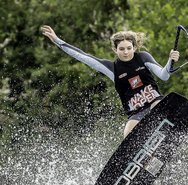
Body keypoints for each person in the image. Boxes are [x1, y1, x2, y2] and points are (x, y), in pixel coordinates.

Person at [40, 25, 179, 137]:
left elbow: (164, 75)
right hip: (136, 111)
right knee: (128, 134)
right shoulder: (112, 68)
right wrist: (58, 41)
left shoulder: (143, 57)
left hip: (155, 102)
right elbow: (82, 56)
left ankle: (166, 134)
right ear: (115, 49)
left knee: (158, 106)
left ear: (134, 48)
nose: (126, 52)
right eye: (122, 49)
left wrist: (170, 62)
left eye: (129, 48)